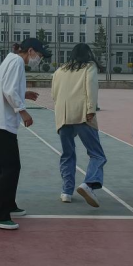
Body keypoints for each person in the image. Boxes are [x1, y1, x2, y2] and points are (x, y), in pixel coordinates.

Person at [0, 38, 50, 230]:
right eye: (39, 55)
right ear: (30, 51)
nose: (39, 59)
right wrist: (23, 111)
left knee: (6, 168)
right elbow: (9, 90)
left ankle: (9, 204)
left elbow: (9, 88)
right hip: (2, 123)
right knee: (11, 168)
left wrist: (24, 94)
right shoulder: (17, 62)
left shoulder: (10, 59)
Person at [51, 43, 106, 207]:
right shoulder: (89, 67)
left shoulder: (60, 70)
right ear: (88, 54)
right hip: (82, 115)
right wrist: (91, 109)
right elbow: (91, 88)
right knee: (97, 154)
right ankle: (89, 184)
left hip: (63, 116)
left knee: (67, 154)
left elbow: (54, 94)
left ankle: (66, 192)